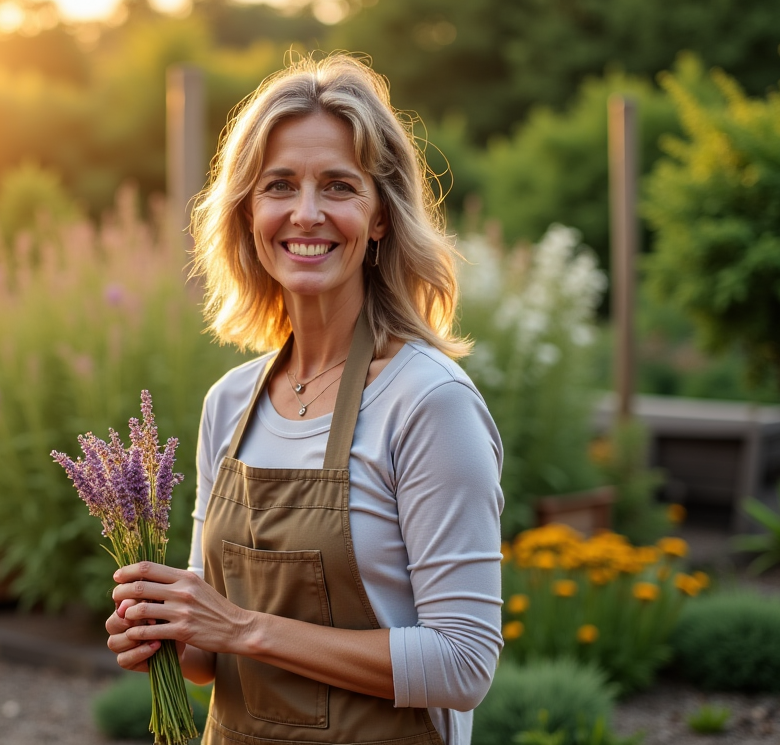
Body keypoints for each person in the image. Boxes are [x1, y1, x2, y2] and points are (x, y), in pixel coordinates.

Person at [105, 54, 504, 745]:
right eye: (280, 185)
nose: (307, 213)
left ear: (380, 217)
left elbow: (463, 663)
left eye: (339, 186)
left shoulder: (427, 403)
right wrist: (170, 631)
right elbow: (211, 653)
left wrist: (244, 628)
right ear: (250, 212)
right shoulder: (231, 403)